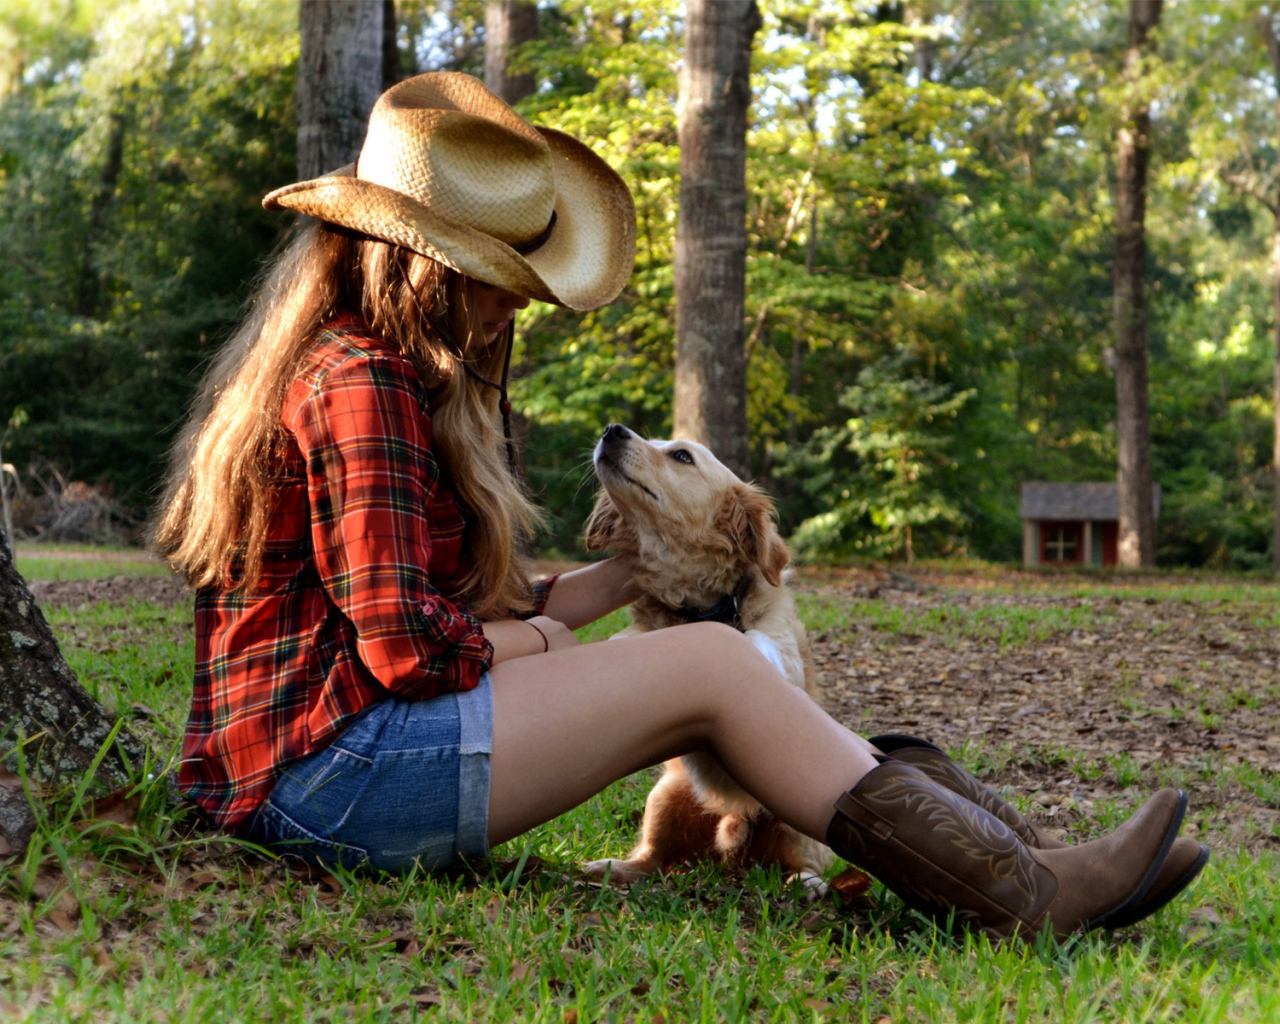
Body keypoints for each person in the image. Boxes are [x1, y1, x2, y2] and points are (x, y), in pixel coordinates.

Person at [152, 73, 1206, 943]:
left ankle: (1023, 863)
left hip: (315, 771)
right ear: (428, 268)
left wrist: (612, 583)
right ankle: (1024, 895)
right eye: (500, 278)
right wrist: (541, 645)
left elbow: (436, 608)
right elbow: (405, 650)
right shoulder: (361, 385)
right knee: (709, 665)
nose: (516, 303)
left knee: (709, 665)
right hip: (325, 783)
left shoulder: (353, 371)